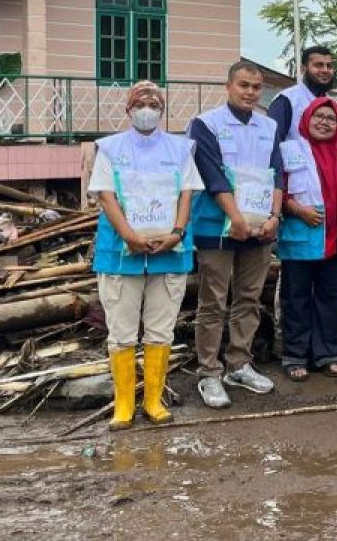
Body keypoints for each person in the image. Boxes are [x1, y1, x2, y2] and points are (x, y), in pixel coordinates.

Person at [89, 81, 204, 429]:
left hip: (170, 250)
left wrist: (177, 233)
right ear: (128, 108)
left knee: (160, 330)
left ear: (162, 110)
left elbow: (187, 194)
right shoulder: (109, 149)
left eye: (154, 101)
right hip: (121, 254)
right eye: (140, 100)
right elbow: (106, 197)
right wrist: (129, 236)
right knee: (121, 332)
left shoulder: (181, 149)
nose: (147, 106)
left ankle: (153, 400)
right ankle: (124, 404)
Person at [187, 61, 283, 409]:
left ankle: (239, 364)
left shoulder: (270, 126)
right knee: (213, 300)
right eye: (243, 85)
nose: (250, 92)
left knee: (249, 298)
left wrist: (274, 215)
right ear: (228, 86)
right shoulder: (205, 124)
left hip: (261, 228)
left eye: (256, 87)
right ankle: (209, 372)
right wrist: (235, 217)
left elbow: (277, 173)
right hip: (217, 227)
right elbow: (212, 175)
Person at [277, 98, 337, 380]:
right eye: (318, 116)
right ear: (306, 119)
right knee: (296, 299)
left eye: (331, 119)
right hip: (302, 235)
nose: (324, 122)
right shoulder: (290, 150)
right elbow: (278, 188)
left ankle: (327, 354)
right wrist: (297, 209)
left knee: (331, 298)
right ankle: (295, 355)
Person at [268, 45, 335, 141]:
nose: (325, 70)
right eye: (318, 65)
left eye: (329, 66)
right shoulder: (286, 100)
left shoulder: (332, 104)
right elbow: (273, 144)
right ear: (303, 69)